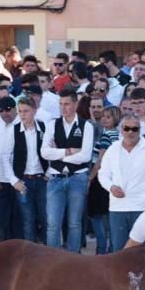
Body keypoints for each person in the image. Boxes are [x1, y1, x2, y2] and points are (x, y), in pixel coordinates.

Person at [98, 114, 145, 251]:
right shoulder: (113, 149)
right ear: (121, 130)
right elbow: (102, 174)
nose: (130, 132)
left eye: (134, 129)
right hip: (117, 208)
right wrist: (111, 187)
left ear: (140, 130)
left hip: (142, 208)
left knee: (141, 251)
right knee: (118, 251)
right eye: (127, 128)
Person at [41, 88, 95, 251]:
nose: (63, 108)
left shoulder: (86, 126)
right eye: (61, 104)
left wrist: (57, 154)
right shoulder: (52, 125)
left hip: (77, 178)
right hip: (56, 178)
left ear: (75, 104)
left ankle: (73, 258)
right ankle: (51, 259)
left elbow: (85, 156)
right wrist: (69, 151)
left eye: (67, 104)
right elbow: (44, 152)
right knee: (53, 223)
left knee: (74, 223)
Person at [0, 95, 48, 243]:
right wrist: (14, 181)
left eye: (26, 111)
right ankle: (30, 254)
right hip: (24, 180)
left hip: (41, 179)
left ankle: (48, 252)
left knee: (46, 217)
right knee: (27, 219)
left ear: (34, 111)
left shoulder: (44, 127)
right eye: (20, 111)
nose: (22, 114)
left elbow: (51, 150)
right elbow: (5, 157)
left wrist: (49, 172)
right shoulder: (13, 131)